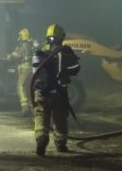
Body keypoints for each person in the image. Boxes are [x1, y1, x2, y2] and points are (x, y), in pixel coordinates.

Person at [31, 23, 81, 156]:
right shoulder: (65, 51)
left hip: (41, 92)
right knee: (60, 119)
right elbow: (76, 68)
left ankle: (41, 142)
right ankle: (60, 145)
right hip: (60, 92)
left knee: (41, 117)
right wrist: (65, 73)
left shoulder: (40, 51)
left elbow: (34, 72)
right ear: (62, 37)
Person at [7, 28, 36, 116]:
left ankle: (25, 109)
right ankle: (32, 108)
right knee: (28, 88)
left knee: (21, 87)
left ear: (21, 36)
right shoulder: (30, 45)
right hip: (31, 69)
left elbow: (14, 57)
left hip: (24, 70)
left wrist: (8, 56)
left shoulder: (21, 46)